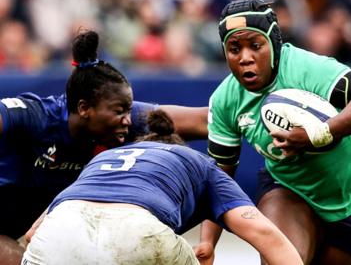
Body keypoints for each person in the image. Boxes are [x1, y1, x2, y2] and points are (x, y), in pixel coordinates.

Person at [198, 0, 351, 265]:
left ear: (274, 43)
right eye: (234, 49)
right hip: (288, 189)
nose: (245, 58)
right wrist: (207, 242)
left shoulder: (308, 69)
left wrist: (319, 133)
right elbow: (220, 177)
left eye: (255, 46)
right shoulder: (225, 99)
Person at [0, 29, 208, 264]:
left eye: (128, 111)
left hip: (51, 221)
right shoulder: (37, 116)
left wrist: (250, 108)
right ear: (84, 108)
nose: (128, 120)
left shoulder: (120, 119)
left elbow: (204, 121)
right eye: (120, 112)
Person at [21, 109, 302, 265]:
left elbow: (34, 233)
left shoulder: (103, 158)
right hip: (137, 231)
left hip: (59, 229)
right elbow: (266, 234)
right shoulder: (198, 163)